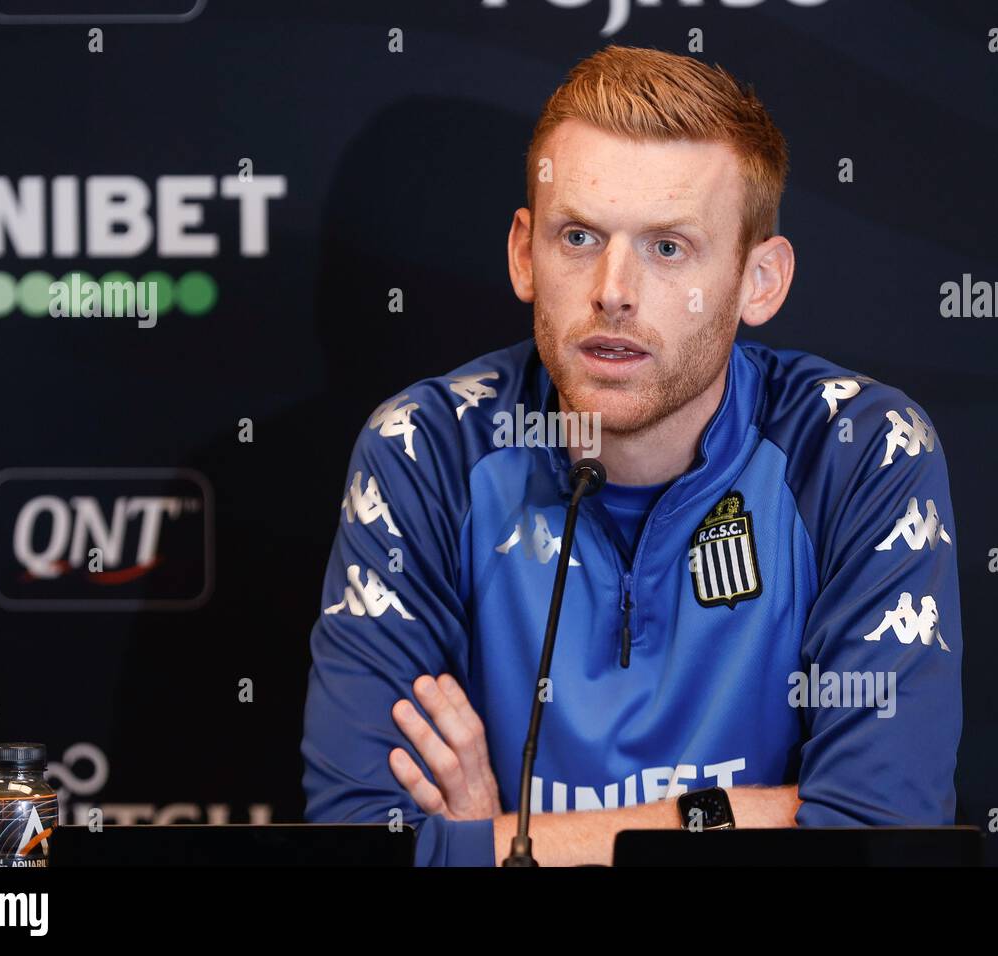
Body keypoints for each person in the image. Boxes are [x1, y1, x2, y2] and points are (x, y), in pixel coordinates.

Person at [301, 44, 963, 866]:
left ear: (760, 281)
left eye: (669, 248)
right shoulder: (426, 450)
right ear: (522, 254)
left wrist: (498, 846)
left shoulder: (860, 450)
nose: (613, 289)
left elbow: (879, 840)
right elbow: (360, 846)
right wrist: (769, 819)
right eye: (578, 236)